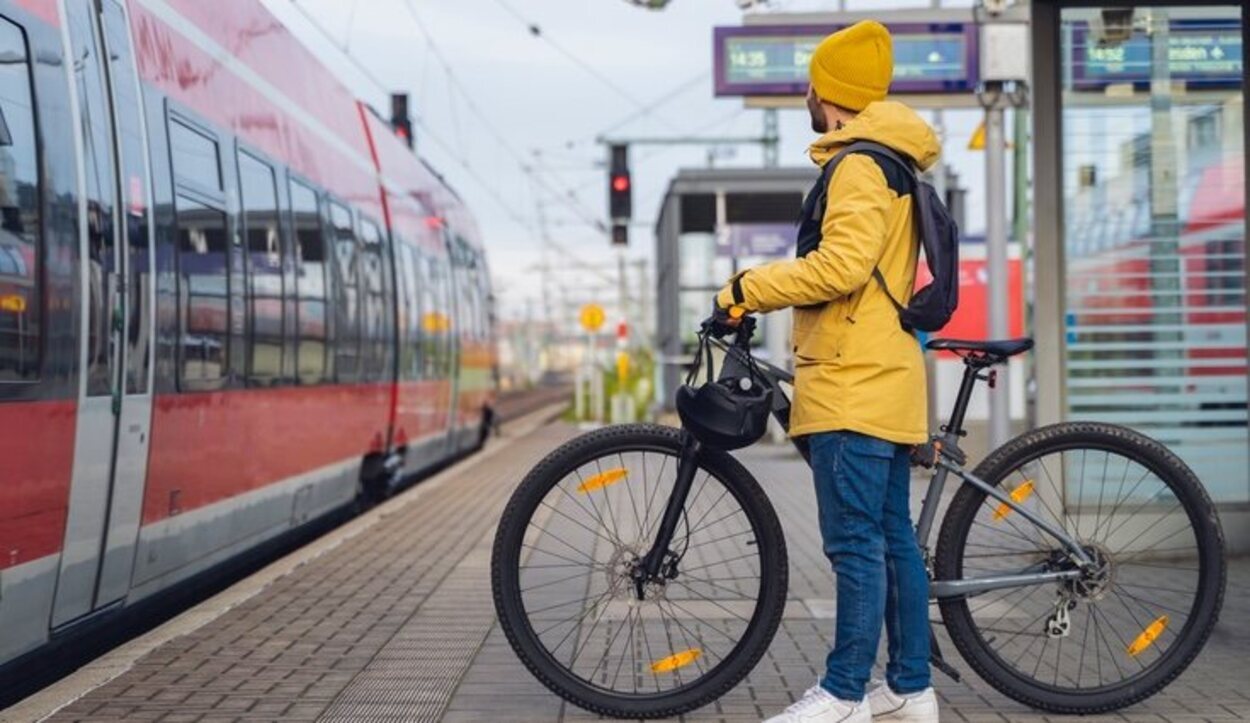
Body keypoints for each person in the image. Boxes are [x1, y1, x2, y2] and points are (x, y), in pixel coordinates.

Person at [712, 20, 941, 723]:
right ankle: (908, 688)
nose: (807, 95)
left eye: (812, 85)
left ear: (829, 94)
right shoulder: (890, 160)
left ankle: (844, 692)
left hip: (853, 380)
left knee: (855, 545)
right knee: (891, 538)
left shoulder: (857, 165)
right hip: (882, 374)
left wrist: (745, 288)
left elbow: (841, 267)